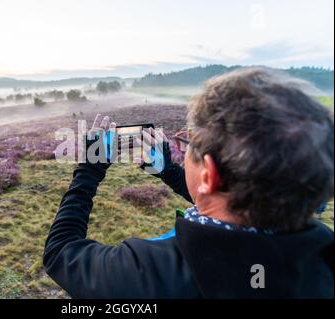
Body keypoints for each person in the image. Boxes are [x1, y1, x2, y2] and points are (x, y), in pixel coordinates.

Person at [43, 68, 334, 298]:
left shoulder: (148, 276)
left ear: (209, 175)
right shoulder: (322, 259)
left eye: (189, 143)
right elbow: (231, 200)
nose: (183, 149)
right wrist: (168, 170)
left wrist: (89, 169)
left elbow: (60, 253)